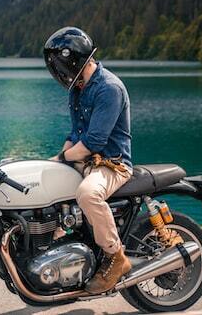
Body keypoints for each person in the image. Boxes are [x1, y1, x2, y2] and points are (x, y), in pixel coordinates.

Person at [44, 26, 133, 294]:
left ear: (73, 60)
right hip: (87, 160)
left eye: (60, 65)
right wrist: (52, 163)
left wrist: (62, 157)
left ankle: (116, 257)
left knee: (87, 194)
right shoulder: (78, 87)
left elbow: (93, 142)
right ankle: (53, 245)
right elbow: (75, 136)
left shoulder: (109, 88)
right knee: (42, 183)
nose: (58, 72)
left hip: (112, 164)